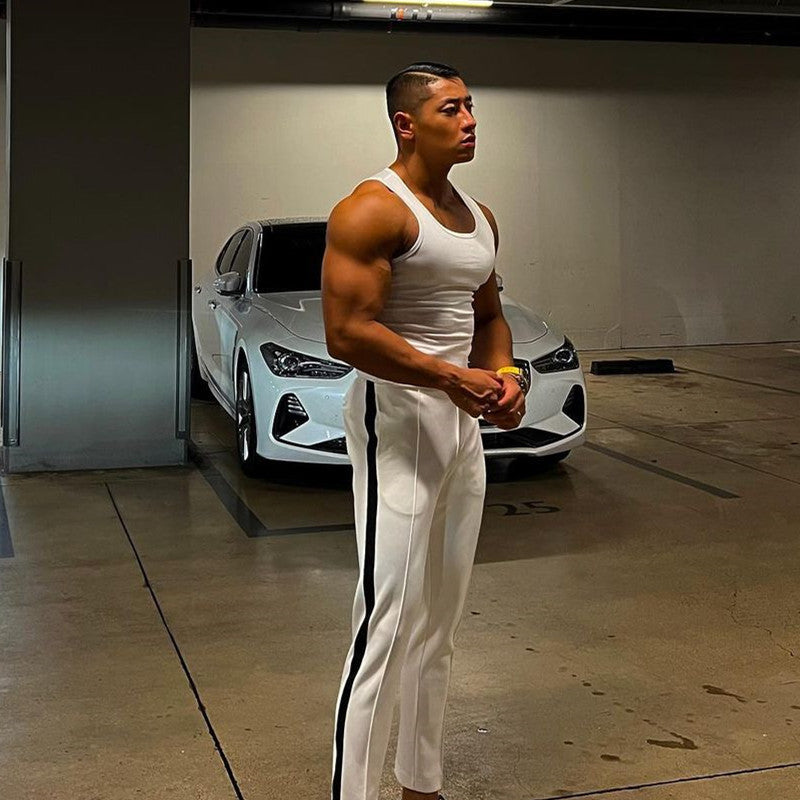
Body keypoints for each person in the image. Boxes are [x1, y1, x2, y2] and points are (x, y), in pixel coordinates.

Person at [322, 61, 528, 800]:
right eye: (451, 109)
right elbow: (347, 333)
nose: (469, 120)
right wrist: (449, 378)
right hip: (397, 418)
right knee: (387, 620)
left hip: (460, 426)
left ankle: (421, 782)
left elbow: (489, 317)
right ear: (406, 124)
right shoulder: (372, 210)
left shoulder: (480, 216)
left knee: (439, 620)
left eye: (471, 106)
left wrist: (505, 377)